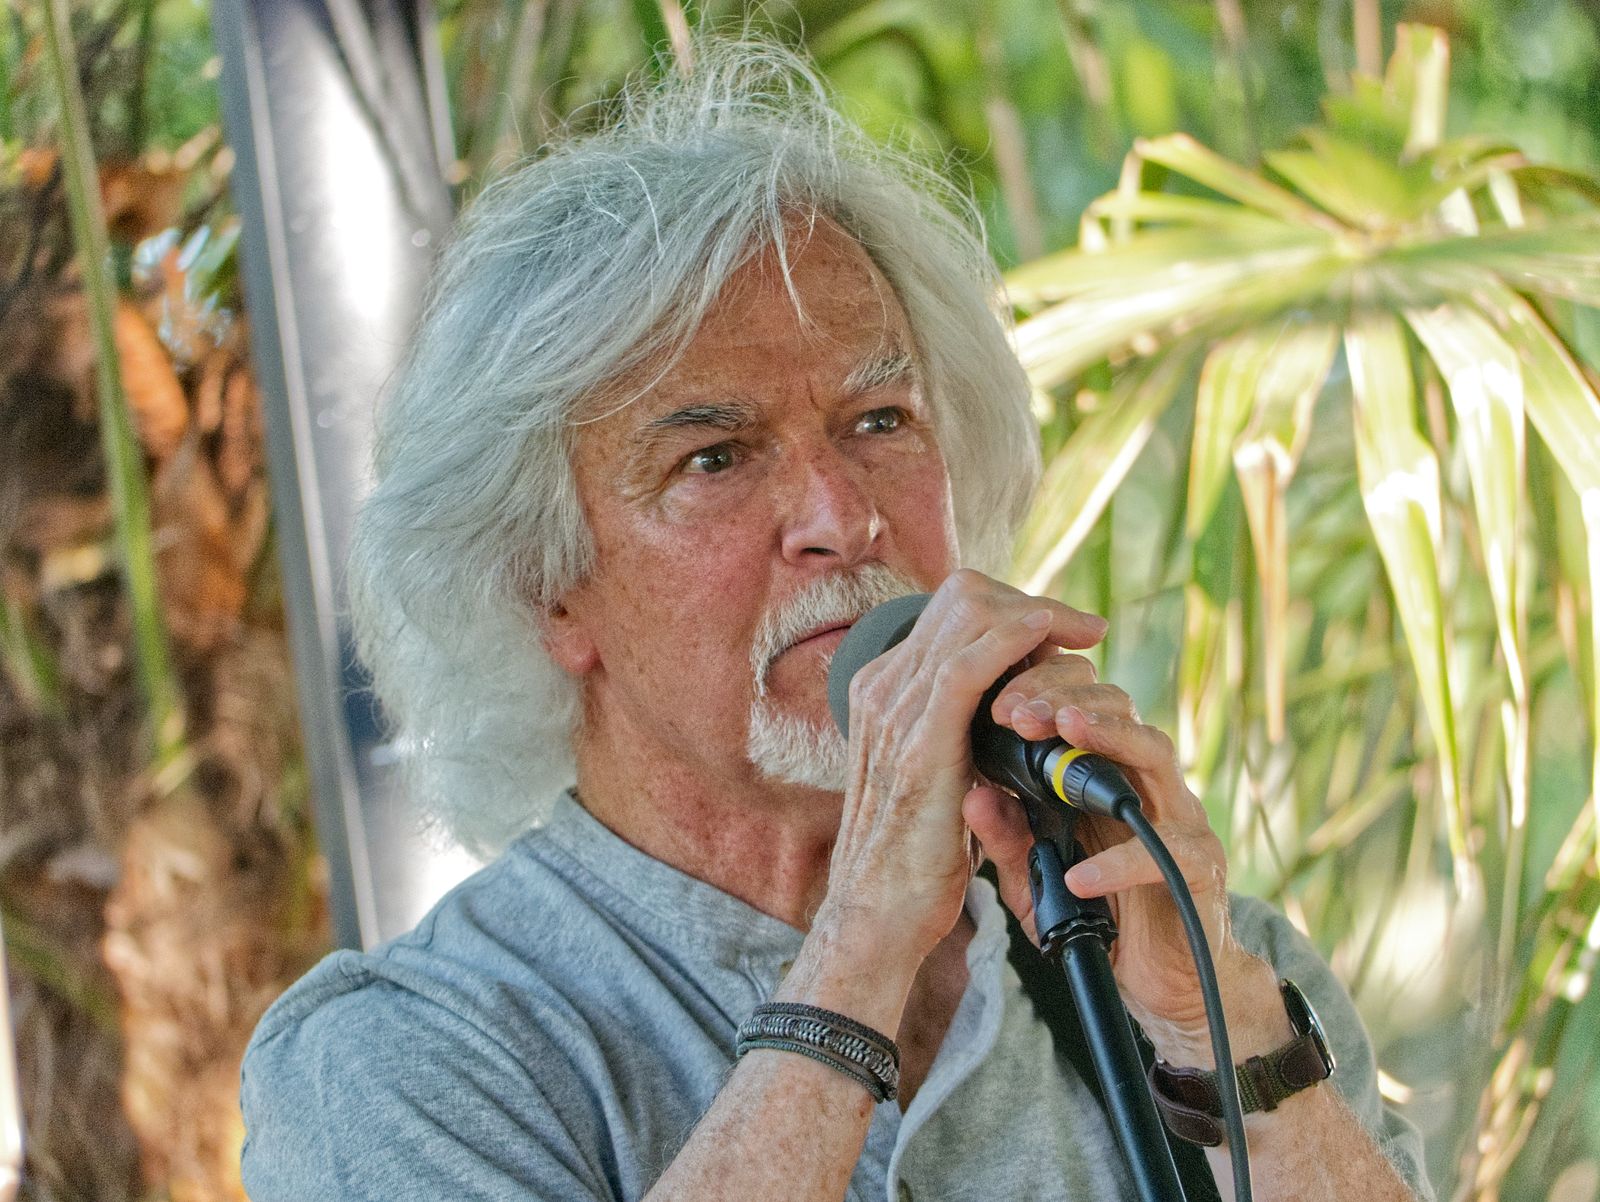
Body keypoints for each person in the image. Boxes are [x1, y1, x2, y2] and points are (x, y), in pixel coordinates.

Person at [239, 40, 1433, 1202]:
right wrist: (858, 951)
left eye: (879, 421)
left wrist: (1218, 1034)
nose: (841, 517)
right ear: (543, 584)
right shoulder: (403, 1059)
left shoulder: (1200, 958)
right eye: (714, 456)